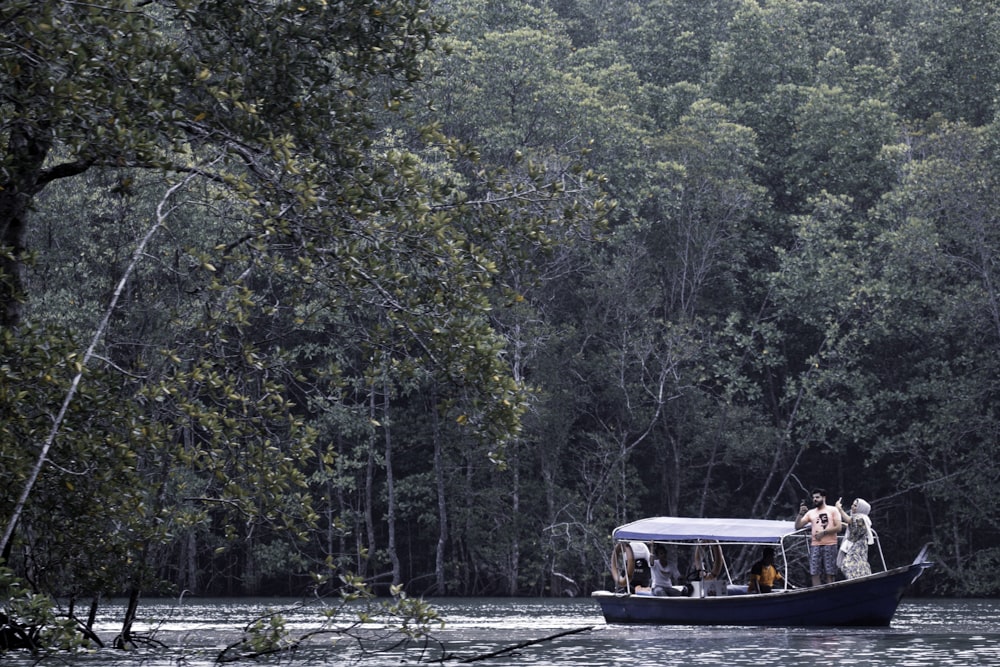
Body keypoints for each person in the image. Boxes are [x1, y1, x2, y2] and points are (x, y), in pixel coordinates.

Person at [795, 488, 842, 586]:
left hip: (830, 543)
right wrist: (800, 514)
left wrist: (824, 532)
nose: (815, 499)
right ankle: (816, 592)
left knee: (830, 572)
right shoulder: (811, 513)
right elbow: (798, 526)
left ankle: (831, 591)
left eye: (817, 497)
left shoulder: (833, 510)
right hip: (815, 544)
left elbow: (839, 527)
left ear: (824, 498)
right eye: (813, 498)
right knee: (814, 571)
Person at [835, 497, 874, 579]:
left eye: (855, 506)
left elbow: (851, 521)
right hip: (856, 545)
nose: (852, 506)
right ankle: (859, 578)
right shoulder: (859, 518)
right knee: (858, 564)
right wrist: (842, 524)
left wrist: (840, 509)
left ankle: (855, 579)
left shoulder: (861, 518)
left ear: (861, 508)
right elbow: (853, 526)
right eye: (853, 504)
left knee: (848, 564)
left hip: (858, 546)